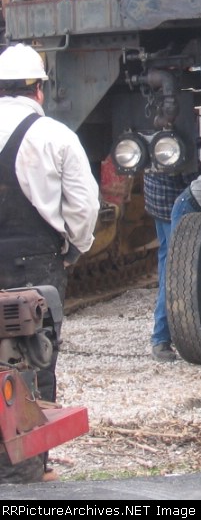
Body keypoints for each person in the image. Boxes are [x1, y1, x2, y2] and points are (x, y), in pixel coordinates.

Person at [0, 44, 99, 483]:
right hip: (35, 265)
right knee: (34, 358)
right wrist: (76, 245)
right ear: (39, 89)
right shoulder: (55, 136)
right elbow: (83, 207)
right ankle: (28, 468)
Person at [143, 169, 197, 362]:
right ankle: (161, 336)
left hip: (157, 199)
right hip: (172, 200)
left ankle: (163, 335)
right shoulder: (174, 141)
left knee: (167, 261)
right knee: (173, 271)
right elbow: (185, 174)